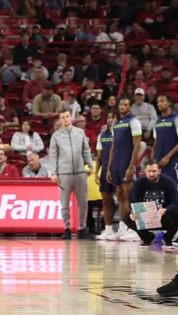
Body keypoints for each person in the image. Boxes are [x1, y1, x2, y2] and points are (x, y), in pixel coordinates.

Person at [49, 110, 94, 240]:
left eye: (67, 116)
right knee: (64, 203)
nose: (65, 119)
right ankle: (66, 228)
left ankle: (82, 228)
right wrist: (53, 173)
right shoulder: (56, 136)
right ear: (60, 119)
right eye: (62, 117)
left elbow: (86, 150)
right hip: (64, 173)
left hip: (80, 172)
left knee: (83, 203)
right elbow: (53, 156)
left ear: (71, 117)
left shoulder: (80, 133)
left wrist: (90, 165)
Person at [107, 97, 143, 241]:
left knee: (130, 196)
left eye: (125, 105)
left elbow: (137, 146)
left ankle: (134, 228)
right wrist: (109, 168)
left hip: (127, 163)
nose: (122, 106)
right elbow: (113, 147)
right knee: (120, 195)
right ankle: (122, 227)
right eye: (120, 104)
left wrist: (131, 166)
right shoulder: (115, 124)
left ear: (130, 107)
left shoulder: (134, 122)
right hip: (116, 164)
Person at [123, 161, 178, 247]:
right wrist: (133, 212)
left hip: (164, 215)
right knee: (127, 218)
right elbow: (133, 201)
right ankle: (147, 238)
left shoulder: (169, 182)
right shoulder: (139, 183)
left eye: (154, 171)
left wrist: (165, 210)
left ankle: (168, 238)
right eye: (149, 171)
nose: (151, 174)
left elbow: (175, 203)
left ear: (159, 171)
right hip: (145, 216)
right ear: (145, 171)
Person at [95, 111, 118, 240]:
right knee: (106, 200)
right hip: (104, 170)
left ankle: (124, 228)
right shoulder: (102, 135)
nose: (110, 120)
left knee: (122, 199)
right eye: (108, 118)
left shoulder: (122, 134)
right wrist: (96, 173)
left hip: (118, 169)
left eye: (113, 117)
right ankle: (108, 229)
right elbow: (99, 157)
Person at [153, 95, 178, 184]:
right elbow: (156, 142)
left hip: (173, 160)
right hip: (160, 161)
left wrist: (168, 157)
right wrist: (154, 159)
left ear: (169, 103)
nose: (159, 104)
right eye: (158, 102)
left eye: (162, 101)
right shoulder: (157, 122)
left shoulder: (176, 118)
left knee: (174, 188)